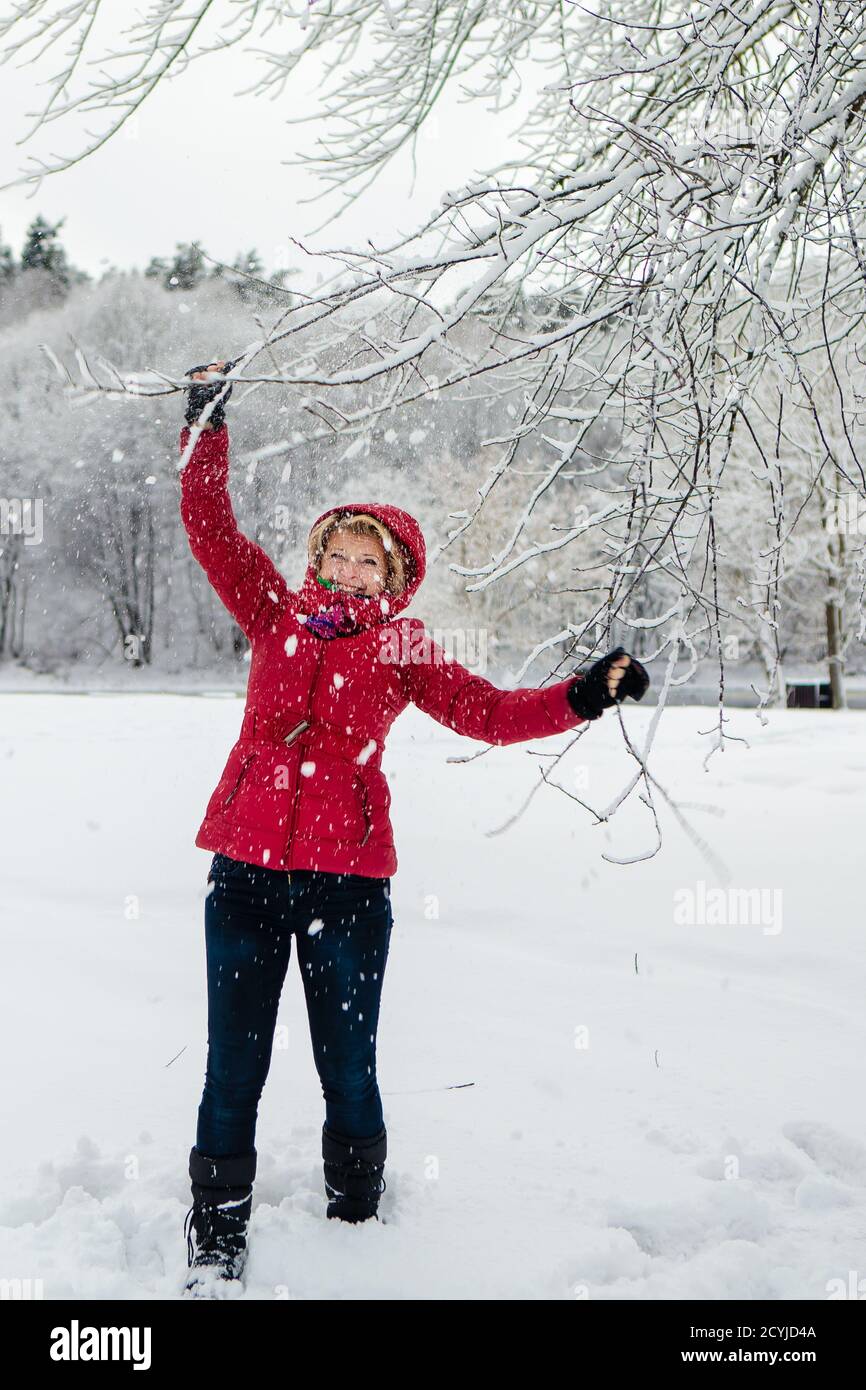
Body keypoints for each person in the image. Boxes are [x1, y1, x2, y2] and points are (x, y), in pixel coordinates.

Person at [178, 360, 650, 1295]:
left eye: (370, 560)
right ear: (316, 558)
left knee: (347, 1069)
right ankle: (215, 1234)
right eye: (339, 553)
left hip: (348, 887)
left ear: (394, 578)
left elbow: (488, 712)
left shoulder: (403, 649)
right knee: (232, 1071)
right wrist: (209, 422)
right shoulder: (272, 614)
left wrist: (580, 698)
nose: (349, 569)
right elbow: (209, 527)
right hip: (243, 877)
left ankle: (356, 1221)